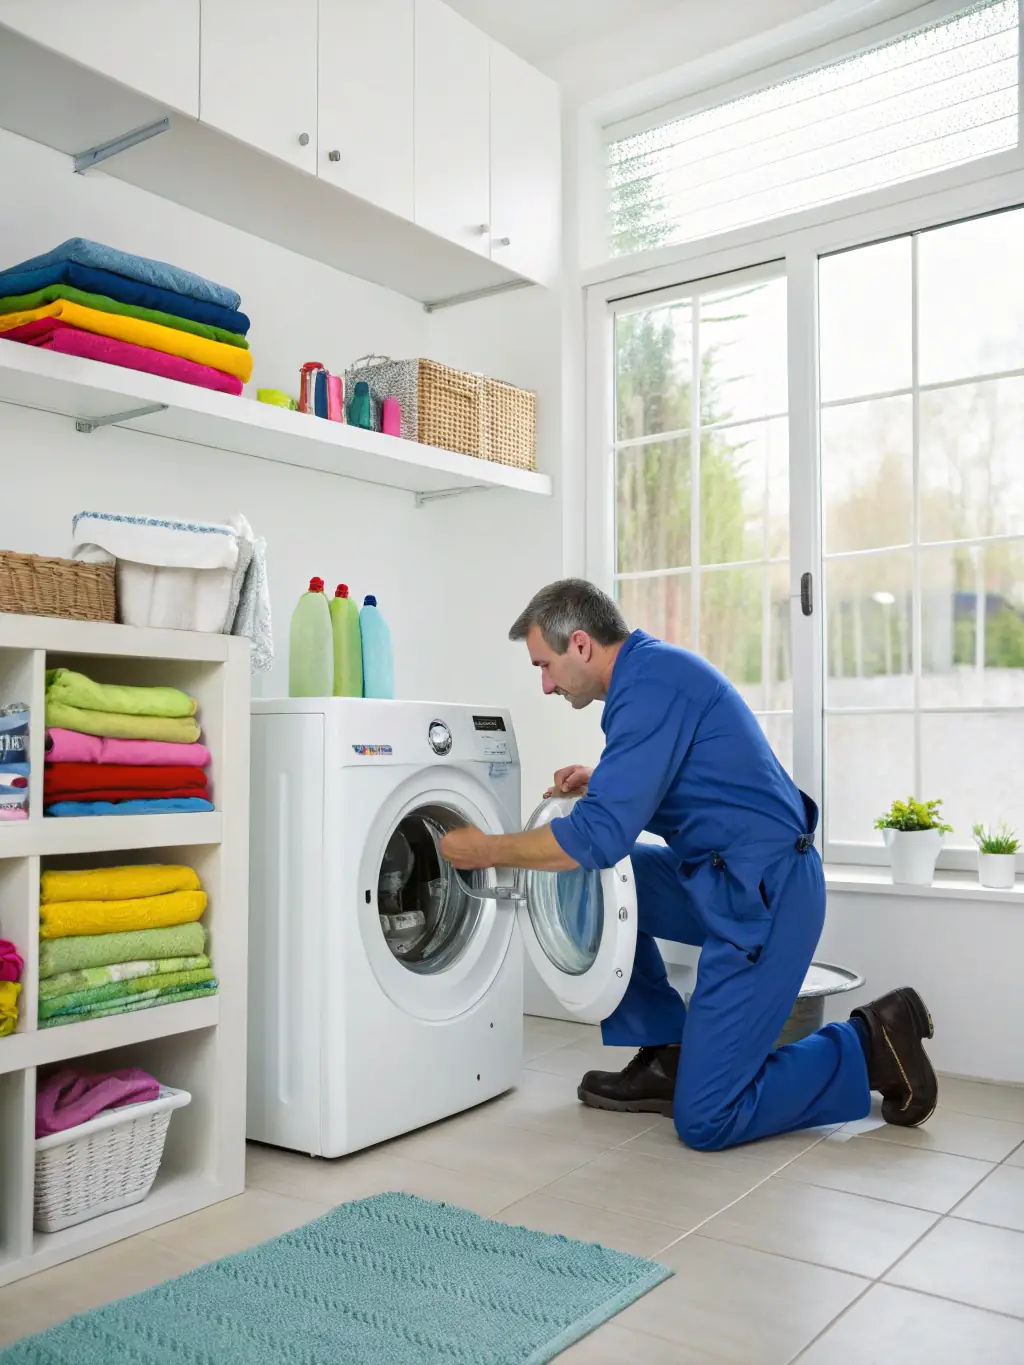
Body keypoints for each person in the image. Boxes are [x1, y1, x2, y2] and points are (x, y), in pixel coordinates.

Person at [439, 579, 937, 1151]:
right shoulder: (647, 678)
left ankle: (873, 1042)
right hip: (720, 877)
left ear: (580, 644)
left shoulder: (651, 687)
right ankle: (669, 1054)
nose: (545, 684)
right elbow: (698, 780)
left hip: (766, 898)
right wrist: (602, 781)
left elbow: (599, 836)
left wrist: (486, 850)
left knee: (707, 1119)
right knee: (594, 883)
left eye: (545, 666)